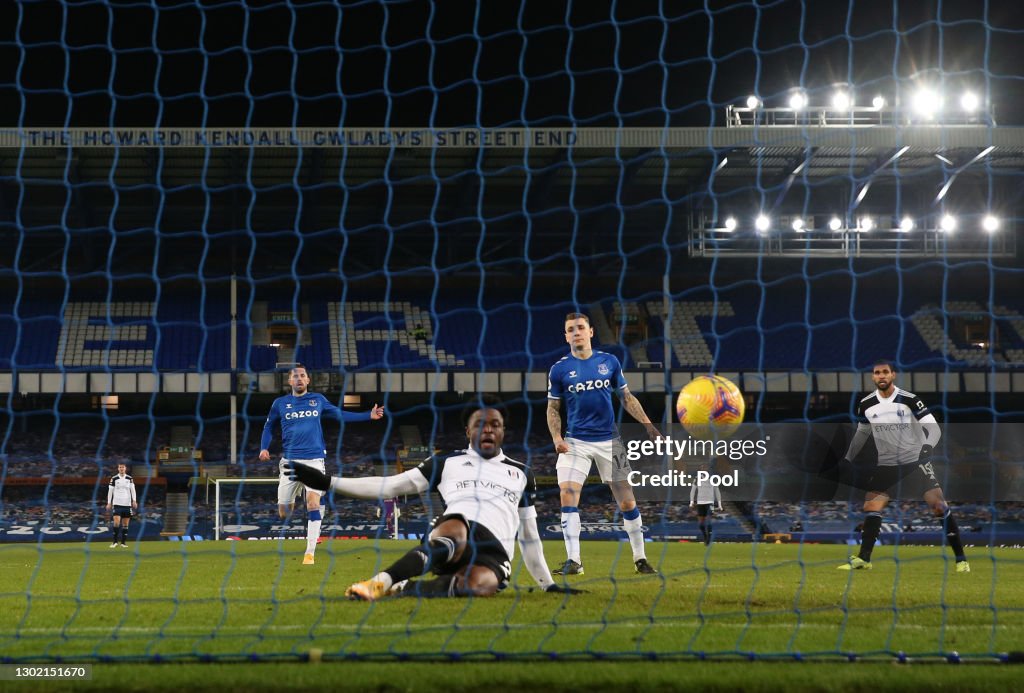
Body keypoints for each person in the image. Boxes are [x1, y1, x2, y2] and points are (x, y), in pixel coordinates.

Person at [286, 403, 581, 600]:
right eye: (480, 424)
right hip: (456, 533)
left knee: (477, 586)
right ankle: (381, 581)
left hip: (495, 552)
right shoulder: (446, 462)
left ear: (503, 431)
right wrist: (328, 482)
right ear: (468, 431)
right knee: (456, 529)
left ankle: (406, 588)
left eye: (495, 424)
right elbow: (389, 486)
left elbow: (529, 536)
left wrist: (549, 584)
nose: (488, 429)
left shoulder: (521, 473)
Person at [546, 312, 660, 576]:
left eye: (580, 327)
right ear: (566, 336)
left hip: (610, 441)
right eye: (571, 329)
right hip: (575, 443)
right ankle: (574, 561)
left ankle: (640, 559)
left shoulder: (609, 362)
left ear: (590, 332)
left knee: (628, 503)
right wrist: (557, 437)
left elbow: (627, 397)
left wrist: (648, 425)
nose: (576, 332)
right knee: (567, 495)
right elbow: (553, 407)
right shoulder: (559, 369)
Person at [836, 360, 969, 572]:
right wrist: (848, 458)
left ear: (893, 375)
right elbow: (862, 433)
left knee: (938, 506)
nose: (881, 376)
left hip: (914, 461)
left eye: (885, 372)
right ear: (873, 377)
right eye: (877, 373)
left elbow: (933, 428)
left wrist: (927, 447)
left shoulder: (909, 400)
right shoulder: (866, 404)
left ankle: (961, 560)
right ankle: (864, 559)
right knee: (871, 506)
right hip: (886, 465)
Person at [259, 364, 385, 565]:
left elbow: (339, 414)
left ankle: (310, 553)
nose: (299, 379)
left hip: (314, 460)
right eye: (295, 376)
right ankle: (306, 496)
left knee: (312, 503)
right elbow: (268, 427)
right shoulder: (280, 404)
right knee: (285, 513)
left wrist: (367, 416)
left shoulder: (317, 400)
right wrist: (264, 448)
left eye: (303, 375)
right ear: (289, 381)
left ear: (308, 380)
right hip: (289, 463)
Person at [689, 465, 722, 546]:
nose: (704, 469)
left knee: (709, 520)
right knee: (701, 523)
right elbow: (692, 490)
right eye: (702, 468)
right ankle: (705, 536)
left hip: (710, 502)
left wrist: (719, 503)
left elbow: (717, 490)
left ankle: (709, 538)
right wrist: (691, 501)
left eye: (705, 467)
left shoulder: (712, 478)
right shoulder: (697, 479)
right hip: (700, 502)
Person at [106, 463, 137, 547]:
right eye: (120, 467)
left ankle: (123, 543)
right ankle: (115, 542)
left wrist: (134, 500)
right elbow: (110, 491)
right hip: (117, 504)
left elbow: (133, 490)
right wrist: (109, 502)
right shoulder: (114, 478)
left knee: (125, 525)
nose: (121, 468)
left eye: (123, 467)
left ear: (125, 468)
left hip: (127, 505)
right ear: (118, 469)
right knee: (116, 522)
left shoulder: (129, 478)